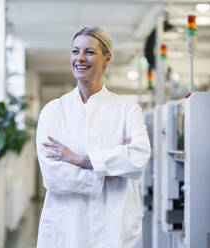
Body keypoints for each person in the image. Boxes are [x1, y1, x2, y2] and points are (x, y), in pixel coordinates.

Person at [36, 26, 151, 248]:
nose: (80, 58)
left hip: (114, 226)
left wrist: (78, 160)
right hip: (68, 226)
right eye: (75, 51)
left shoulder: (127, 109)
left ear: (107, 58)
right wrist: (110, 169)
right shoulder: (53, 111)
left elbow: (138, 158)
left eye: (89, 52)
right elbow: (53, 175)